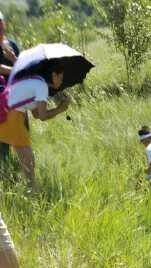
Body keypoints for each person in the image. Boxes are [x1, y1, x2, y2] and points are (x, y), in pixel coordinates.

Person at [0, 60, 70, 190]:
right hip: (11, 115)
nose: (62, 81)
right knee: (28, 158)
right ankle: (31, 190)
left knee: (26, 156)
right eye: (61, 77)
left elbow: (36, 114)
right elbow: (43, 116)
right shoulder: (42, 86)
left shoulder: (36, 81)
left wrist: (58, 108)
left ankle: (23, 187)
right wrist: (59, 109)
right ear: (54, 75)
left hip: (8, 112)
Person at [0, 10, 20, 163]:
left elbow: (22, 67)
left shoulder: (11, 44)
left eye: (0, 23)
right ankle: (5, 168)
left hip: (14, 95)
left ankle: (14, 167)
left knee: (19, 134)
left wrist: (13, 59)